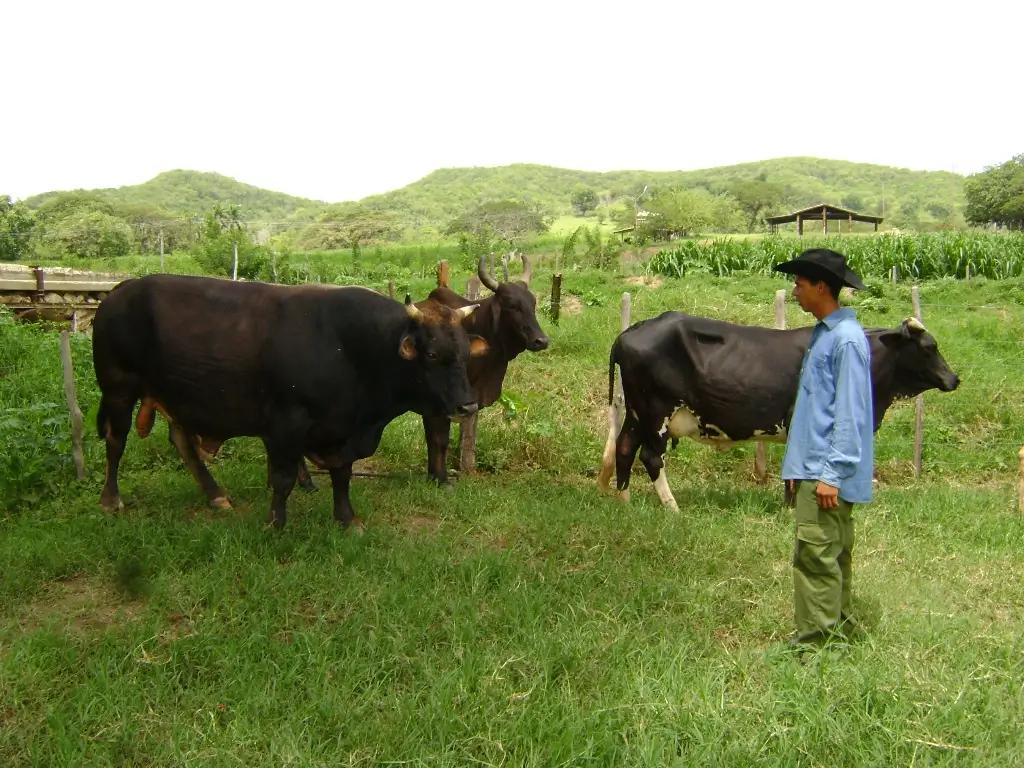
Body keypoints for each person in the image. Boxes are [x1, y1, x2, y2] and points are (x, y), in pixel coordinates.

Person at [772, 248, 874, 649]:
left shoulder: (845, 341)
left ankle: (815, 648)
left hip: (824, 471)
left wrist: (830, 474)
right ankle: (838, 632)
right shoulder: (827, 334)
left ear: (821, 286)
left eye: (799, 284)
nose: (794, 290)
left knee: (815, 558)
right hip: (813, 466)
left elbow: (851, 414)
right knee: (831, 554)